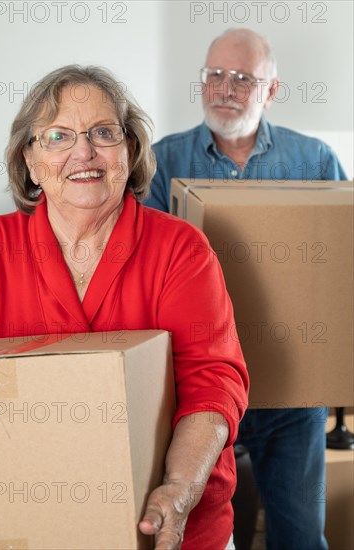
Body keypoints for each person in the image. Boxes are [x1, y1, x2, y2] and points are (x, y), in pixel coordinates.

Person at [0, 64, 248, 550]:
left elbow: (212, 386)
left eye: (103, 133)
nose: (83, 152)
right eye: (58, 135)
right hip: (28, 524)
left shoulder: (180, 249)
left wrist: (178, 491)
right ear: (28, 157)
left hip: (177, 528)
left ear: (130, 149)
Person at [144, 28, 347, 550]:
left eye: (242, 78)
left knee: (301, 537)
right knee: (208, 537)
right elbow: (144, 275)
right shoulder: (163, 162)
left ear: (272, 89)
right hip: (198, 397)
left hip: (291, 396)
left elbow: (340, 270)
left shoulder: (314, 162)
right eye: (214, 75)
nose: (224, 88)